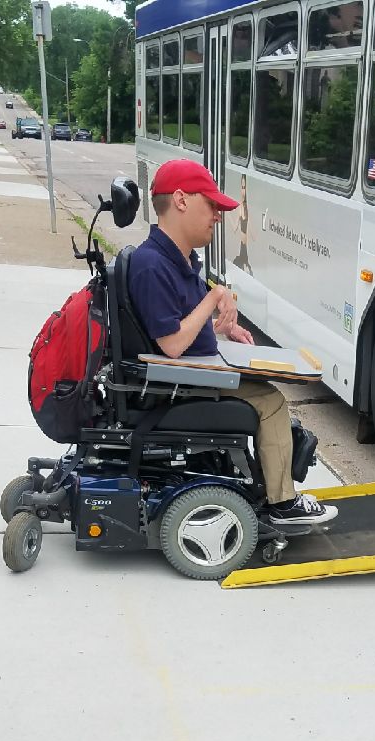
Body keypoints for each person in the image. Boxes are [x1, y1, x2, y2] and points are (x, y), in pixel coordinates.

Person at [127, 159, 335, 525]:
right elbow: (172, 344)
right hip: (177, 385)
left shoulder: (175, 258)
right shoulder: (152, 264)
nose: (217, 217)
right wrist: (215, 297)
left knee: (265, 382)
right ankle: (282, 504)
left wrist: (219, 330)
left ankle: (274, 485)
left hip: (191, 374)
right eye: (211, 205)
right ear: (180, 200)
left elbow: (180, 320)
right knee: (270, 401)